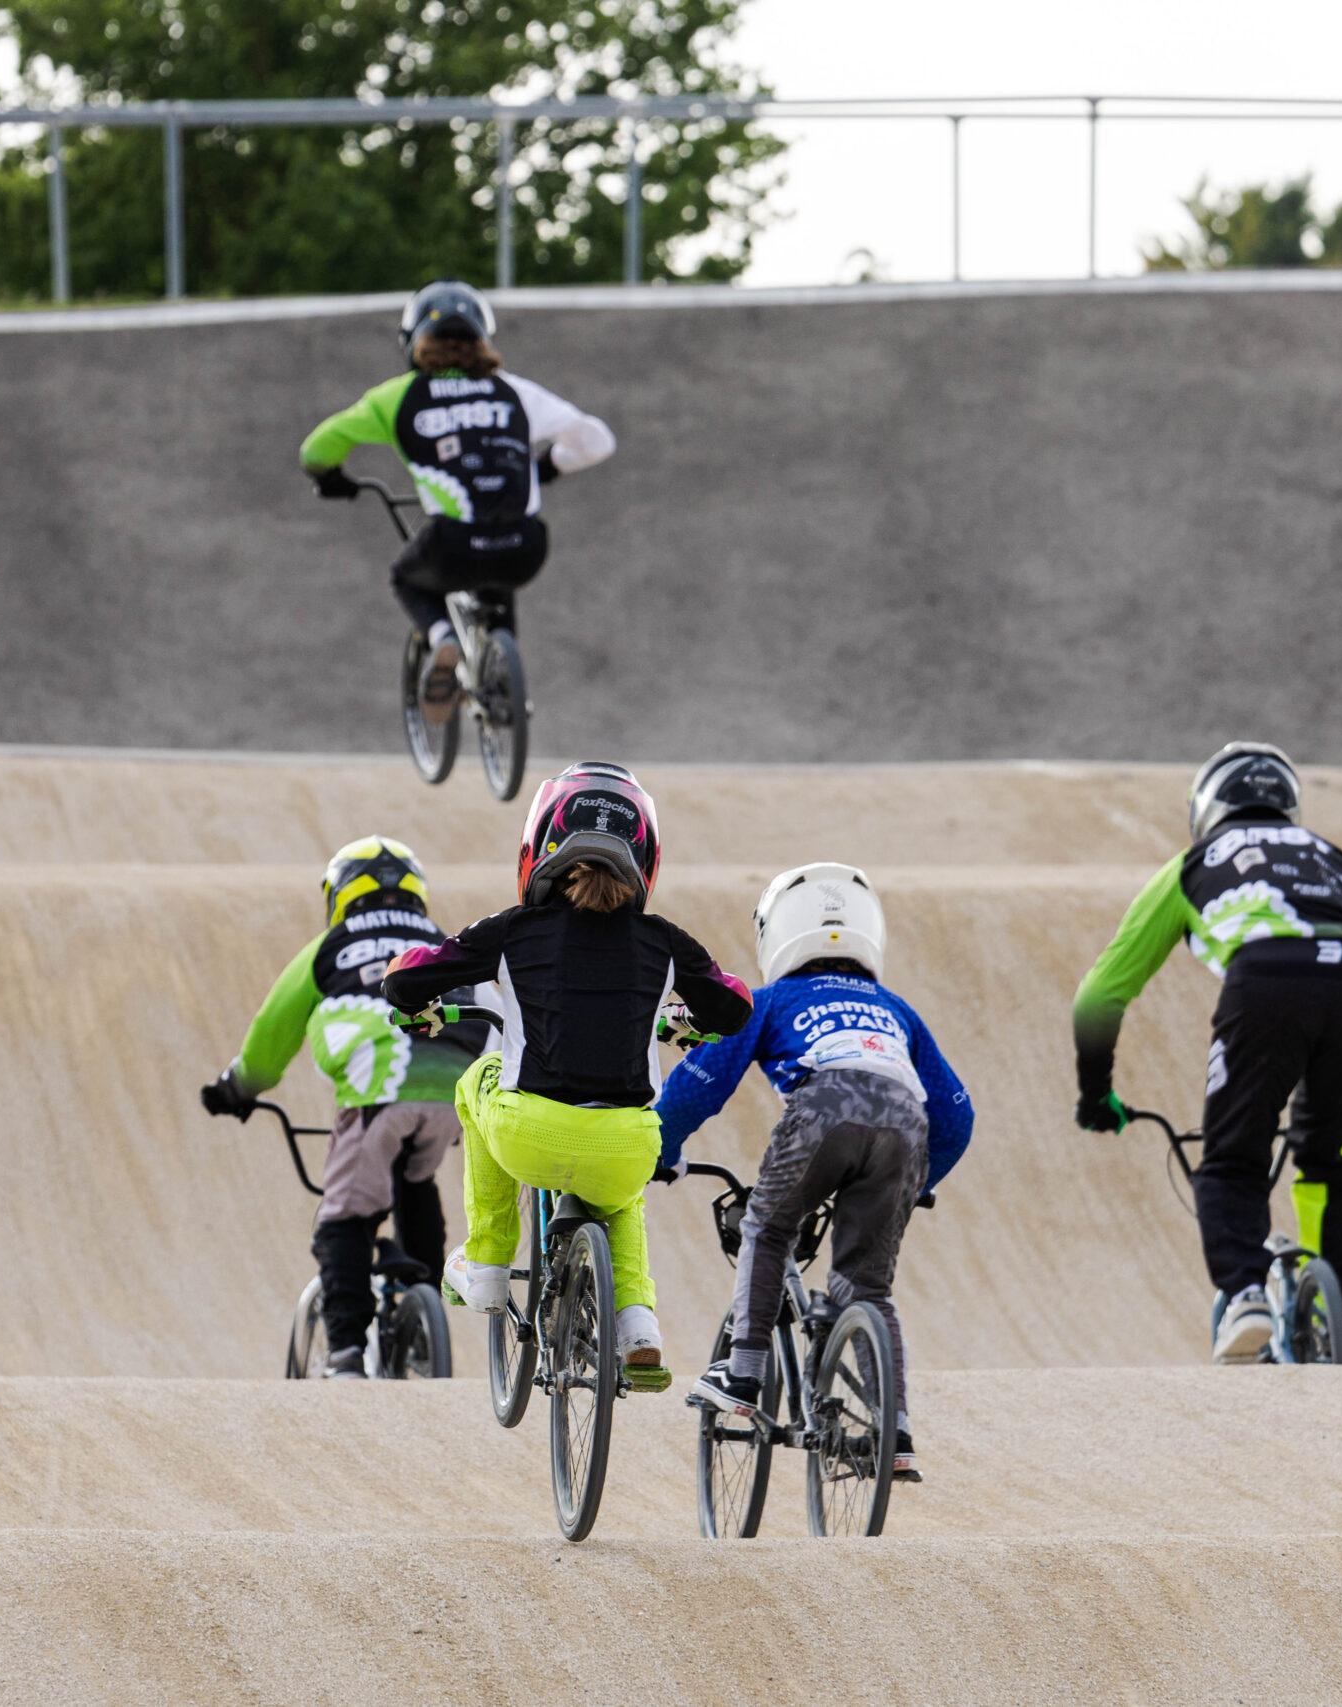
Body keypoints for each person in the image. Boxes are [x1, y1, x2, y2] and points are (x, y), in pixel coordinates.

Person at [378, 761, 752, 1391]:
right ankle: (638, 1328)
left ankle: (491, 1263)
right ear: (645, 859)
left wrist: (419, 1007)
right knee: (622, 1199)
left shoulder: (511, 929)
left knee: (479, 1078)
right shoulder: (665, 940)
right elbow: (735, 1004)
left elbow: (404, 977)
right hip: (626, 1145)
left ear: (540, 849)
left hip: (531, 1134)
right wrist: (687, 1022)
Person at [1071, 742, 1342, 1364]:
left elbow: (1100, 994)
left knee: (1231, 1155)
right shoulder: (1335, 858)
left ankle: (1244, 1293)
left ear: (1205, 808)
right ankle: (1340, 1320)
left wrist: (1094, 1093)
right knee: (1328, 1150)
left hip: (1268, 977)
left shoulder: (1192, 864)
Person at [654, 862, 972, 1478]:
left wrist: (660, 1150)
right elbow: (957, 1116)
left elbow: (701, 1084)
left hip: (823, 1108)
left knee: (768, 1227)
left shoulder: (770, 1000)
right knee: (867, 1286)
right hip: (907, 1128)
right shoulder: (895, 1009)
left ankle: (744, 1375)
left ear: (777, 935)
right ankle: (894, 1433)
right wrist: (917, 1187)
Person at [201, 836, 485, 1379]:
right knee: (415, 1182)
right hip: (453, 1085)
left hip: (380, 1090)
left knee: (344, 1218)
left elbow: (270, 1035)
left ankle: (347, 1352)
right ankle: (423, 1325)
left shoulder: (330, 946)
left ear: (339, 894)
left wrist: (236, 1090)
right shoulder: (441, 941)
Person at [298, 280, 614, 724]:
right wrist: (550, 466)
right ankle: (505, 691)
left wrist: (331, 477)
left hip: (453, 546)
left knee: (406, 579)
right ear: (483, 337)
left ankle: (442, 636)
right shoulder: (514, 391)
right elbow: (597, 440)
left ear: (412, 341)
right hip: (526, 546)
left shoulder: (396, 396)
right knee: (499, 576)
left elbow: (317, 446)